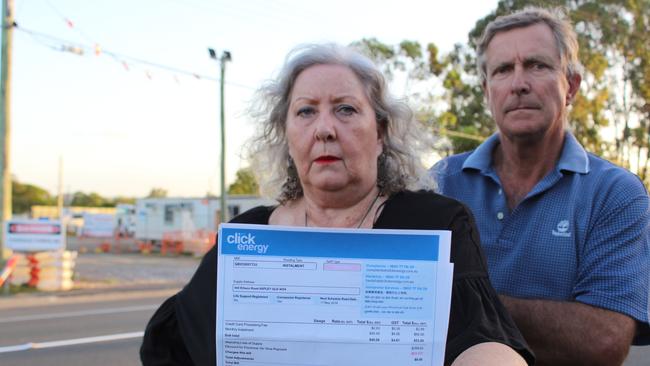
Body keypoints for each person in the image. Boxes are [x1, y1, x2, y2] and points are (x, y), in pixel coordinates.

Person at [140, 43, 534, 365]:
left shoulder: (436, 224)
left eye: (345, 109)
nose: (325, 129)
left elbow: (483, 338)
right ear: (287, 135)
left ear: (380, 133)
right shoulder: (249, 236)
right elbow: (175, 345)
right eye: (306, 111)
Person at [432, 7, 650, 366]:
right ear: (487, 91)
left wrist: (465, 300)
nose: (519, 83)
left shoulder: (615, 193)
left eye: (537, 65)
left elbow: (604, 341)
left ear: (571, 86)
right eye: (503, 70)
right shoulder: (441, 182)